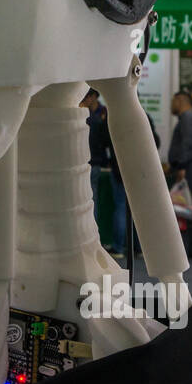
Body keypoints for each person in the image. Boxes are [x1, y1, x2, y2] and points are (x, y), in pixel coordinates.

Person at [80, 88, 126, 257]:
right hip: (91, 163)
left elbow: (104, 140)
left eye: (87, 96)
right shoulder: (98, 113)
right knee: (92, 202)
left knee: (92, 203)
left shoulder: (103, 114)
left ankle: (94, 241)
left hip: (97, 163)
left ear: (93, 97)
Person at [167, 89, 192, 256]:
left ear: (181, 101)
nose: (171, 105)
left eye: (174, 101)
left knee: (185, 210)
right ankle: (187, 249)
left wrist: (181, 166)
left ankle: (187, 250)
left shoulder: (187, 119)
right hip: (187, 167)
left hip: (188, 168)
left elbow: (187, 143)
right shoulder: (188, 118)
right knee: (185, 208)